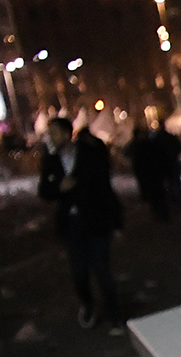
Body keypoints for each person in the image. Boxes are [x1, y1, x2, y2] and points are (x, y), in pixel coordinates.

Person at [36, 115, 123, 332]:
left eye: (55, 133)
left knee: (102, 270)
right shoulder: (51, 160)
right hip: (71, 226)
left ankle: (115, 316)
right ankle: (88, 305)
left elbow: (105, 189)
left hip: (96, 221)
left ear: (67, 134)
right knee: (78, 273)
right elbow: (43, 191)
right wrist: (59, 189)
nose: (51, 138)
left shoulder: (90, 155)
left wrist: (117, 221)